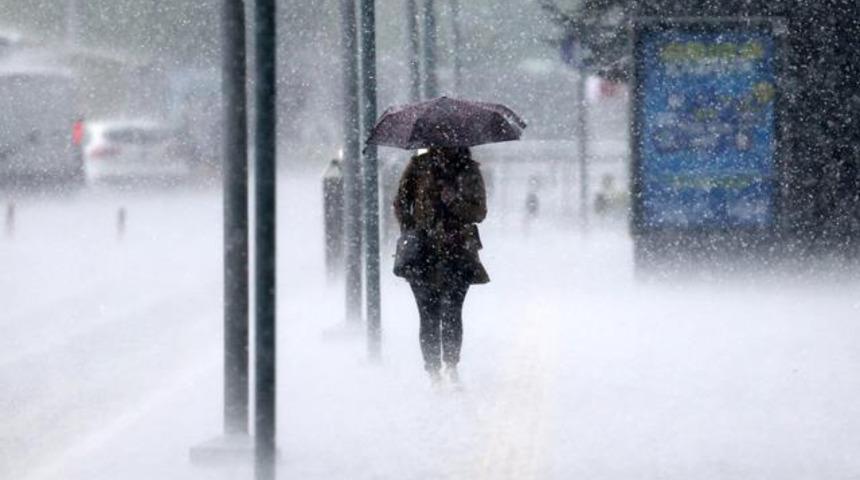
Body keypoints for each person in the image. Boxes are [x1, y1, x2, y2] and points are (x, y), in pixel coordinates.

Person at [393, 146, 489, 385]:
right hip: (422, 253)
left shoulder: (469, 170)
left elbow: (479, 212)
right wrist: (412, 229)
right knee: (428, 313)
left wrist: (454, 201)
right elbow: (400, 202)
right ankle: (433, 371)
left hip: (457, 251)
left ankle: (451, 365)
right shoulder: (419, 166)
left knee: (452, 312)